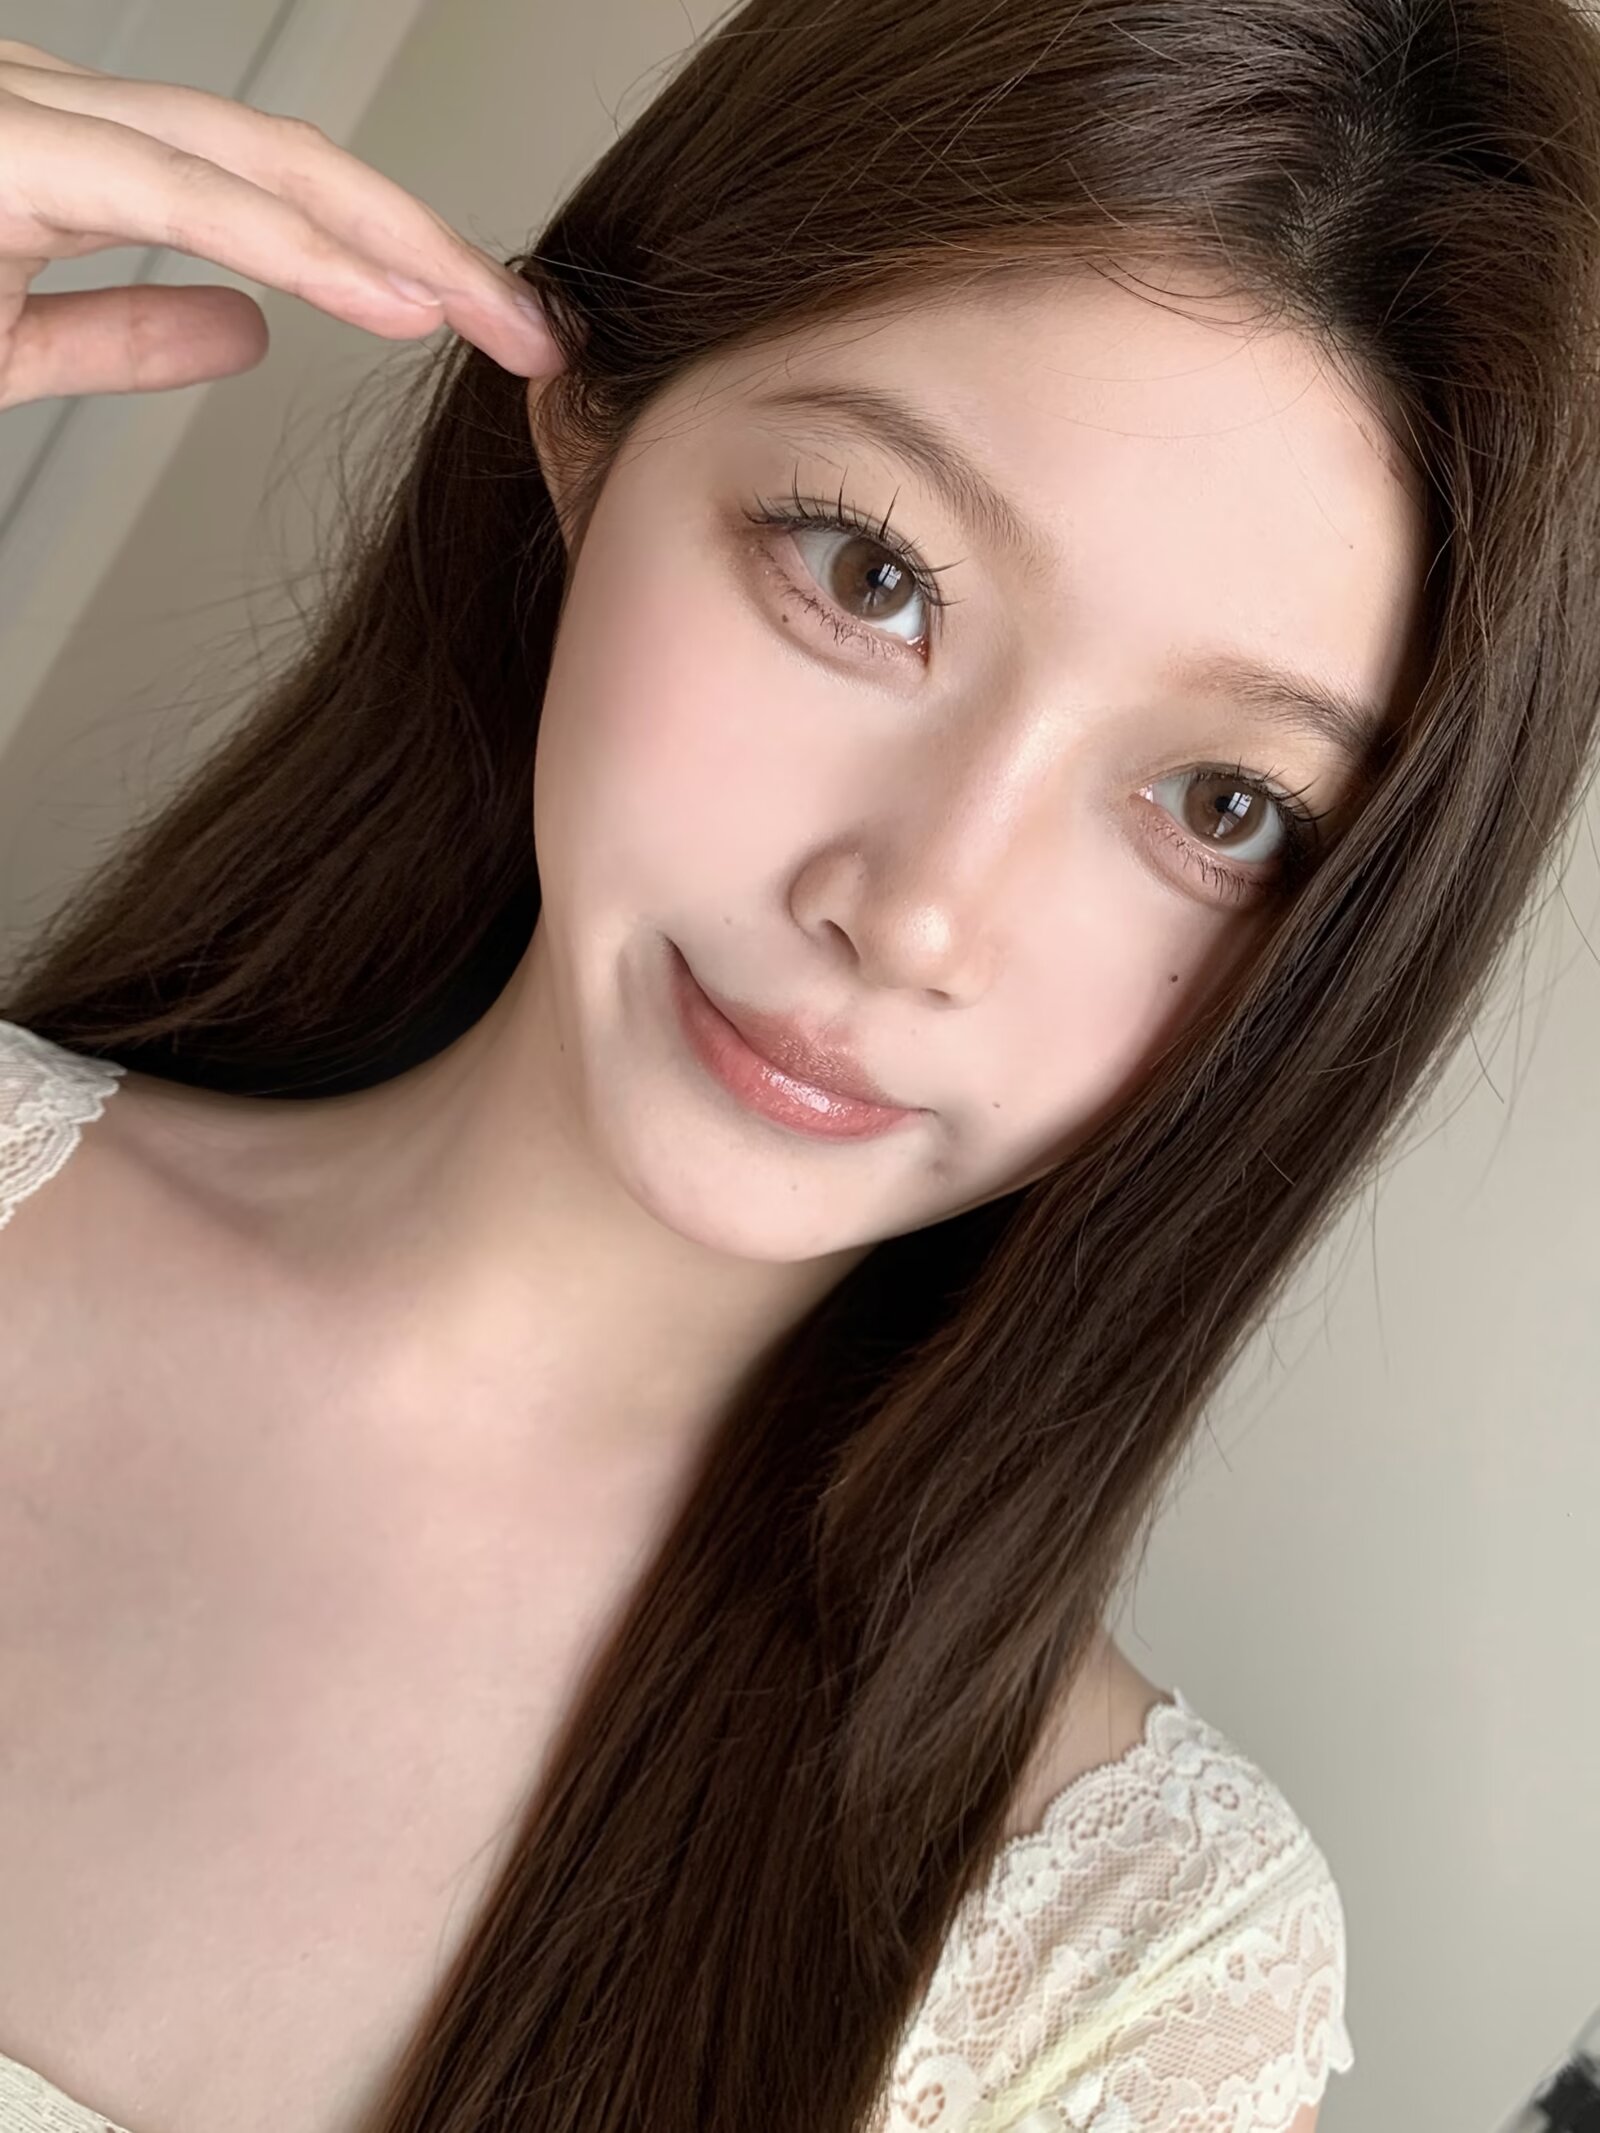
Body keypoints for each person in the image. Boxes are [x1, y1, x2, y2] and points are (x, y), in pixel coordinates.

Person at [0, 2, 1596, 2129]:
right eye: (872, 573)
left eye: (1223, 804)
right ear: (587, 426)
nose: (918, 911)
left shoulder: (1120, 1974)